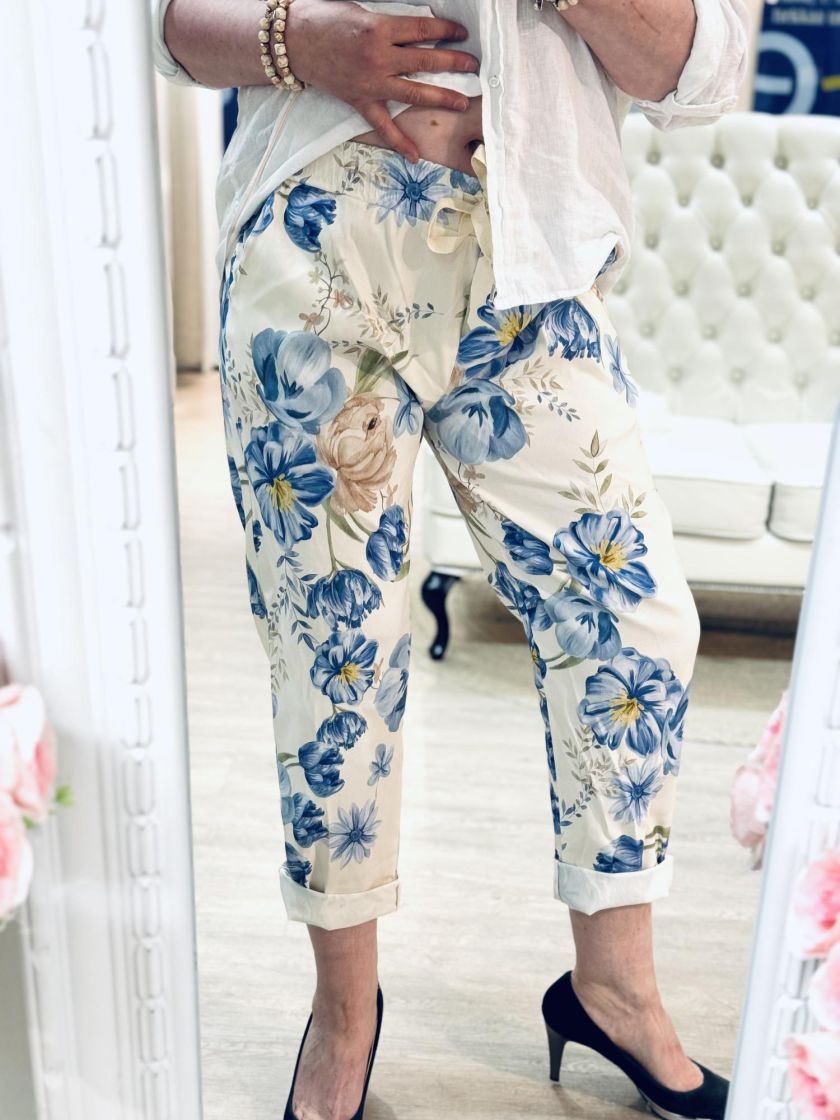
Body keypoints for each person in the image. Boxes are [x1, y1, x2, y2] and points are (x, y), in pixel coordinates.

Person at [151, 2, 750, 1118]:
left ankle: (614, 989)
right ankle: (344, 1012)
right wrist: (299, 42)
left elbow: (705, 72)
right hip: (315, 244)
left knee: (635, 625)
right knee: (338, 656)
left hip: (533, 260)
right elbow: (174, 24)